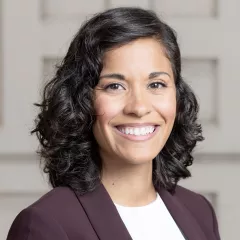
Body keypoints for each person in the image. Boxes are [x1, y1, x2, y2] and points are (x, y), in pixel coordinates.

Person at [6, 7, 221, 240]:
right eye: (114, 86)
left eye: (156, 84)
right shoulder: (45, 224)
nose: (139, 107)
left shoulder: (199, 211)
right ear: (81, 101)